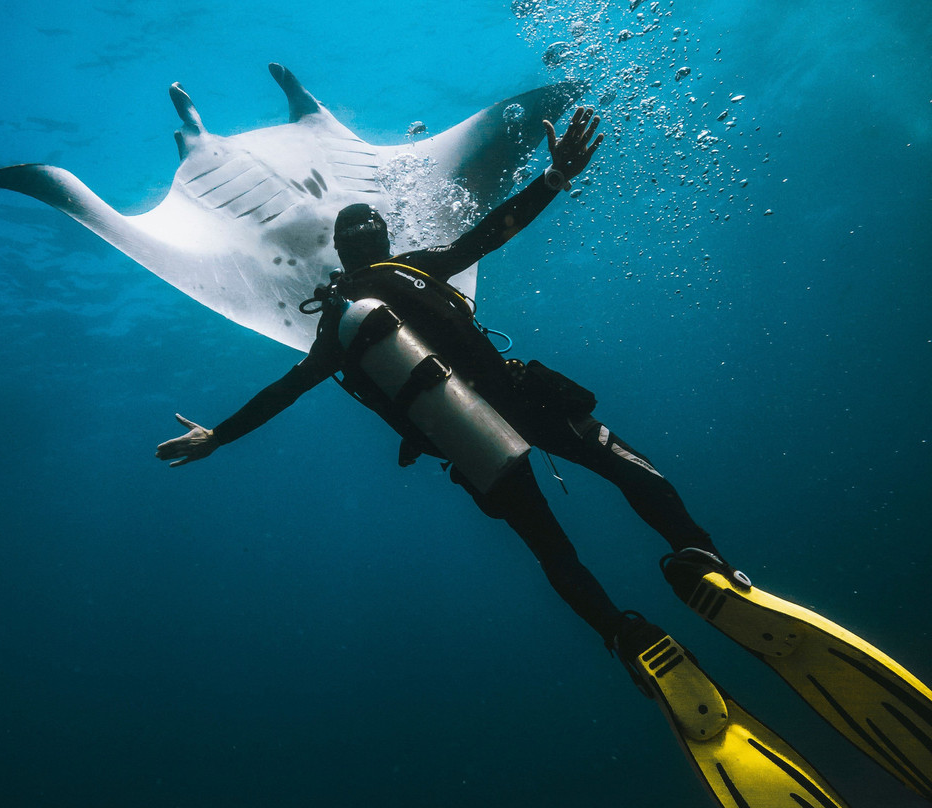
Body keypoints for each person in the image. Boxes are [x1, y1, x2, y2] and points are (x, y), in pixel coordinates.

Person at [156, 107, 932, 807]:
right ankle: (703, 564)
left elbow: (287, 390)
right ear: (382, 240)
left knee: (550, 551)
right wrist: (556, 177)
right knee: (633, 471)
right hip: (525, 404)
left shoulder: (335, 330)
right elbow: (493, 230)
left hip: (471, 442)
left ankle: (624, 635)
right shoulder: (418, 266)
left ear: (340, 252)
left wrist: (218, 436)